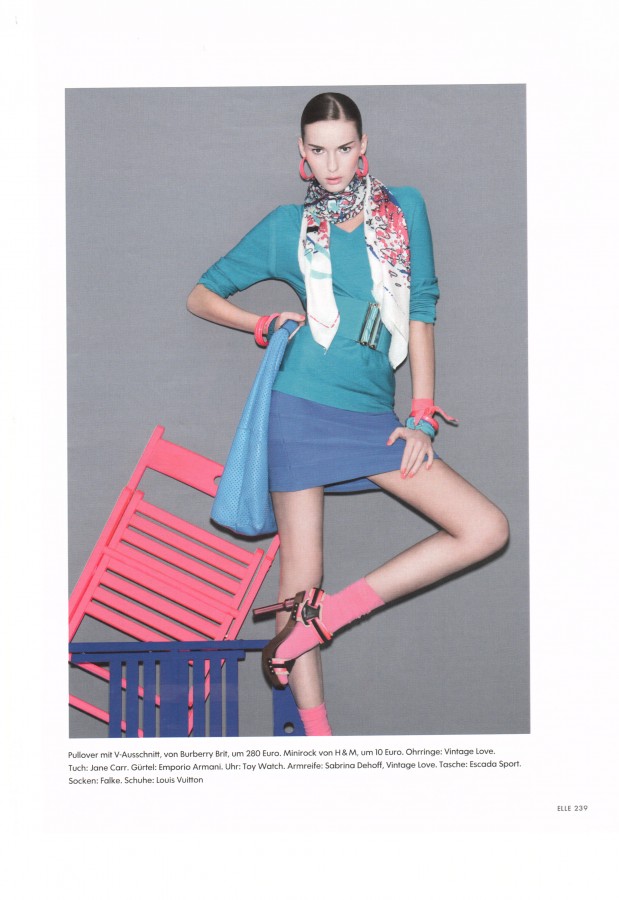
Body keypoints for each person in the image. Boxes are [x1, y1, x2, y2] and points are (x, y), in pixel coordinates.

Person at [187, 92, 509, 736]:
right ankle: (320, 745)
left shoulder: (403, 210)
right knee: (300, 578)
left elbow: (421, 309)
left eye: (343, 147)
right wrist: (262, 324)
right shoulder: (288, 226)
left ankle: (328, 619)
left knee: (484, 528)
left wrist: (421, 414)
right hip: (298, 406)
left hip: (369, 414)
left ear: (363, 147)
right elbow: (201, 295)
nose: (331, 163)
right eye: (318, 149)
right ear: (301, 154)